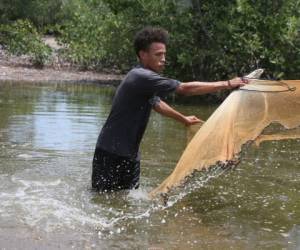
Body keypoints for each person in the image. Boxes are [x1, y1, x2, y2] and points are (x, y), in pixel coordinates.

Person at [92, 26, 246, 192]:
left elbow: (156, 103)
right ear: (143, 55)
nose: (164, 59)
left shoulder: (144, 79)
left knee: (127, 200)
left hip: (130, 155)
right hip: (110, 153)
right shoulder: (141, 76)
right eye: (158, 54)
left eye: (164, 54)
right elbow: (185, 89)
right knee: (102, 199)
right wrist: (228, 84)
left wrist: (183, 119)